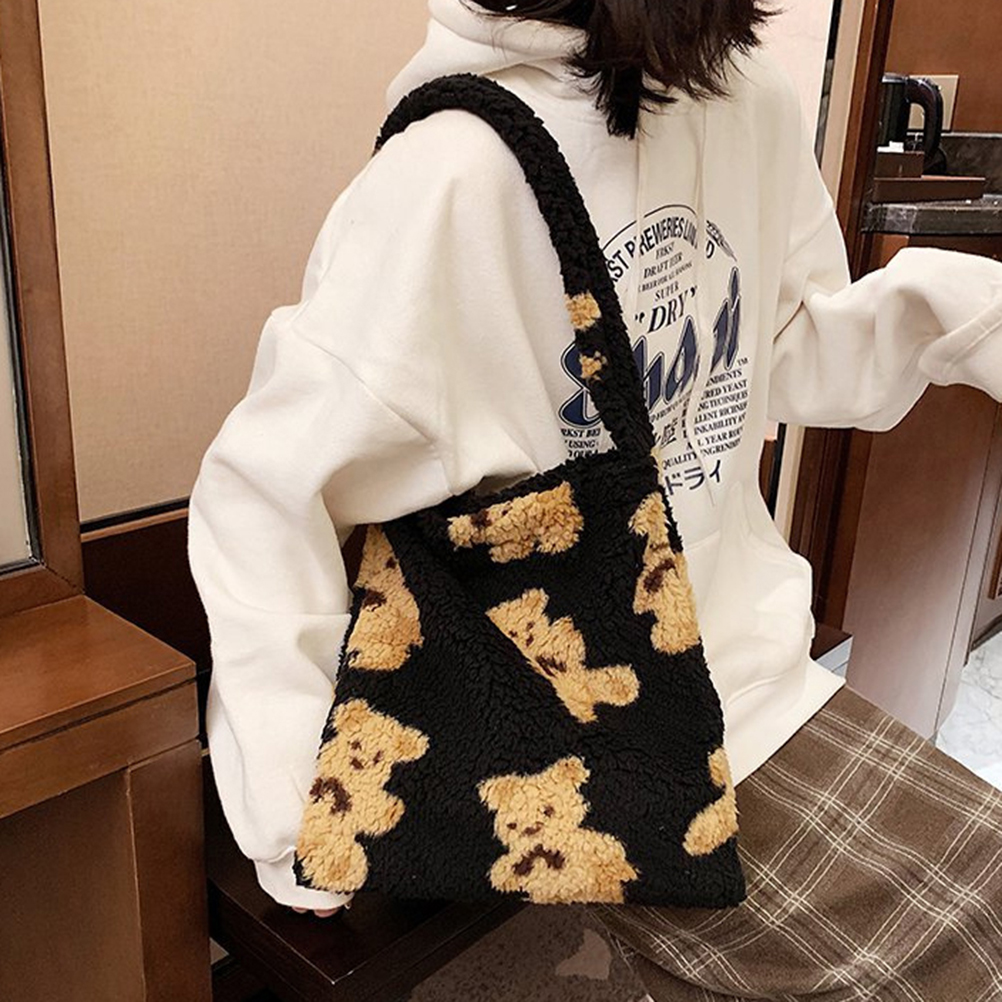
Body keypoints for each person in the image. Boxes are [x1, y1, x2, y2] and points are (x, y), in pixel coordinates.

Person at [187, 0, 1002, 995]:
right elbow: (266, 489)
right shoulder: (452, 172)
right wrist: (297, 807)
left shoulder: (748, 96)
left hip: (755, 666)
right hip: (568, 732)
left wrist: (952, 314)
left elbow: (778, 346)